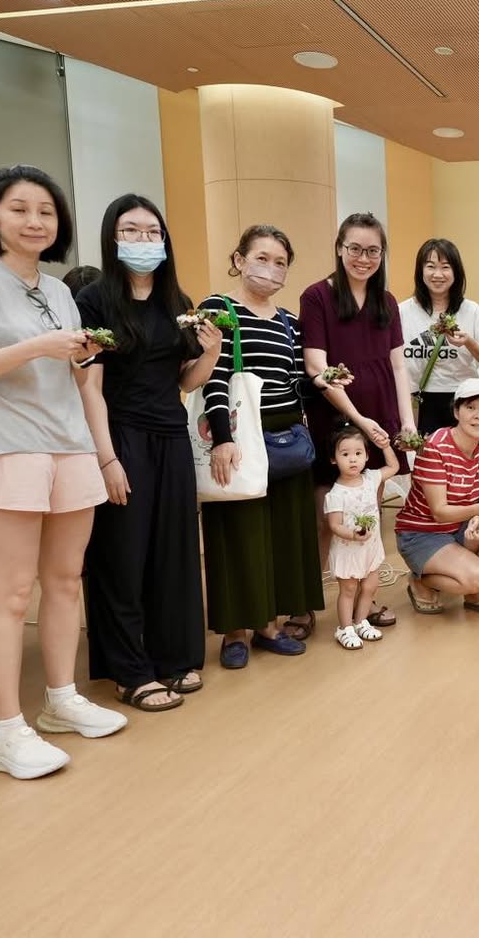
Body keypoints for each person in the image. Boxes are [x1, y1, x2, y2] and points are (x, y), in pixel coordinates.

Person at [0, 164, 124, 779]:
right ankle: (5, 731)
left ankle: (61, 700)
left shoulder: (60, 290)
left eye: (46, 210)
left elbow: (65, 375)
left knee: (66, 581)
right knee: (13, 593)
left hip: (66, 443)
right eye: (19, 209)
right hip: (8, 444)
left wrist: (80, 356)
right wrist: (40, 347)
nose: (35, 221)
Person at [77, 193, 219, 712]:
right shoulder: (95, 301)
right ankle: (128, 670)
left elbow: (185, 383)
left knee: (172, 550)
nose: (143, 240)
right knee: (123, 552)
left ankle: (172, 656)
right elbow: (88, 387)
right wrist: (107, 459)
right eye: (131, 231)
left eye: (152, 232)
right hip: (121, 434)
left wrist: (211, 354)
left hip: (170, 436)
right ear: (113, 238)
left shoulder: (178, 304)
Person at [199, 225, 326, 668]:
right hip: (238, 432)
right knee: (237, 531)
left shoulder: (290, 321)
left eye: (280, 262)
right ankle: (235, 630)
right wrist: (223, 439)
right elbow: (212, 378)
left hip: (287, 434)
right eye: (261, 257)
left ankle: (270, 625)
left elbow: (297, 381)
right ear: (239, 259)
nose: (270, 269)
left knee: (281, 531)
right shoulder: (218, 308)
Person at [300, 212, 413, 633]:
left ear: (382, 254)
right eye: (355, 249)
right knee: (326, 514)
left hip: (380, 415)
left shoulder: (386, 302)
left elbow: (399, 368)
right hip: (336, 418)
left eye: (373, 251)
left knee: (369, 508)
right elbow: (317, 365)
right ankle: (306, 603)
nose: (363, 258)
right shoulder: (317, 296)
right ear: (339, 248)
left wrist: (405, 424)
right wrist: (359, 419)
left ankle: (367, 599)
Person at [394, 378, 479, 616]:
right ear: (456, 411)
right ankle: (421, 580)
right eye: (471, 407)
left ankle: (474, 594)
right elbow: (439, 511)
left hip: (460, 526)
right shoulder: (435, 446)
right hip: (423, 533)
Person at [398, 238, 479, 433]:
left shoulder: (471, 310)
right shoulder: (402, 312)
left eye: (445, 267)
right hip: (418, 400)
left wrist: (468, 342)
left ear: (456, 272)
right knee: (426, 461)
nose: (438, 274)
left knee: (461, 461)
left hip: (462, 400)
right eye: (430, 266)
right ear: (420, 271)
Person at [323, 425, 399, 649]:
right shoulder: (335, 494)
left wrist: (385, 446)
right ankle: (344, 628)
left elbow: (393, 466)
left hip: (370, 549)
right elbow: (334, 525)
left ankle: (360, 621)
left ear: (366, 455)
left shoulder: (371, 478)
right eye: (345, 454)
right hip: (349, 550)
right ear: (334, 459)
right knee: (348, 590)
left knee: (369, 587)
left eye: (358, 453)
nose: (353, 459)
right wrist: (353, 535)